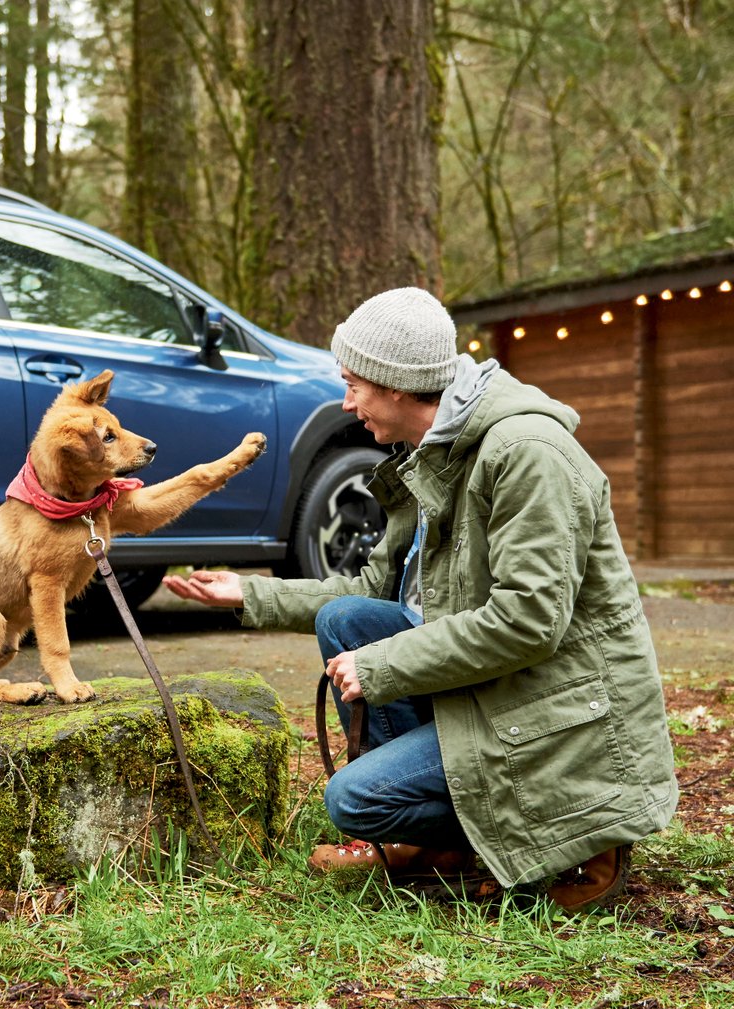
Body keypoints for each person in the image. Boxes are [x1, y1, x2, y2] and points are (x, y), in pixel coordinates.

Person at [164, 286, 678, 911]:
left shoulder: (527, 455)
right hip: (490, 690)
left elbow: (528, 622)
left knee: (354, 799)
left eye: (354, 384)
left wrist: (381, 668)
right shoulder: (431, 456)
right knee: (348, 619)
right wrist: (248, 592)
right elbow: (365, 592)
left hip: (558, 712)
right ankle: (448, 846)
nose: (347, 402)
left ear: (399, 385)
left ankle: (581, 834)